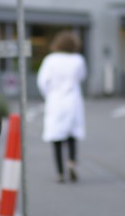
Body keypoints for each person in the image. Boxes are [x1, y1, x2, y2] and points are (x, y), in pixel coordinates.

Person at [37, 30, 87, 183]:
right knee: (72, 134)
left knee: (56, 137)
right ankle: (71, 161)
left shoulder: (50, 60)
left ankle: (59, 172)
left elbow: (42, 81)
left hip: (55, 100)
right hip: (72, 100)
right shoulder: (78, 60)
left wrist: (49, 95)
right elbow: (82, 76)